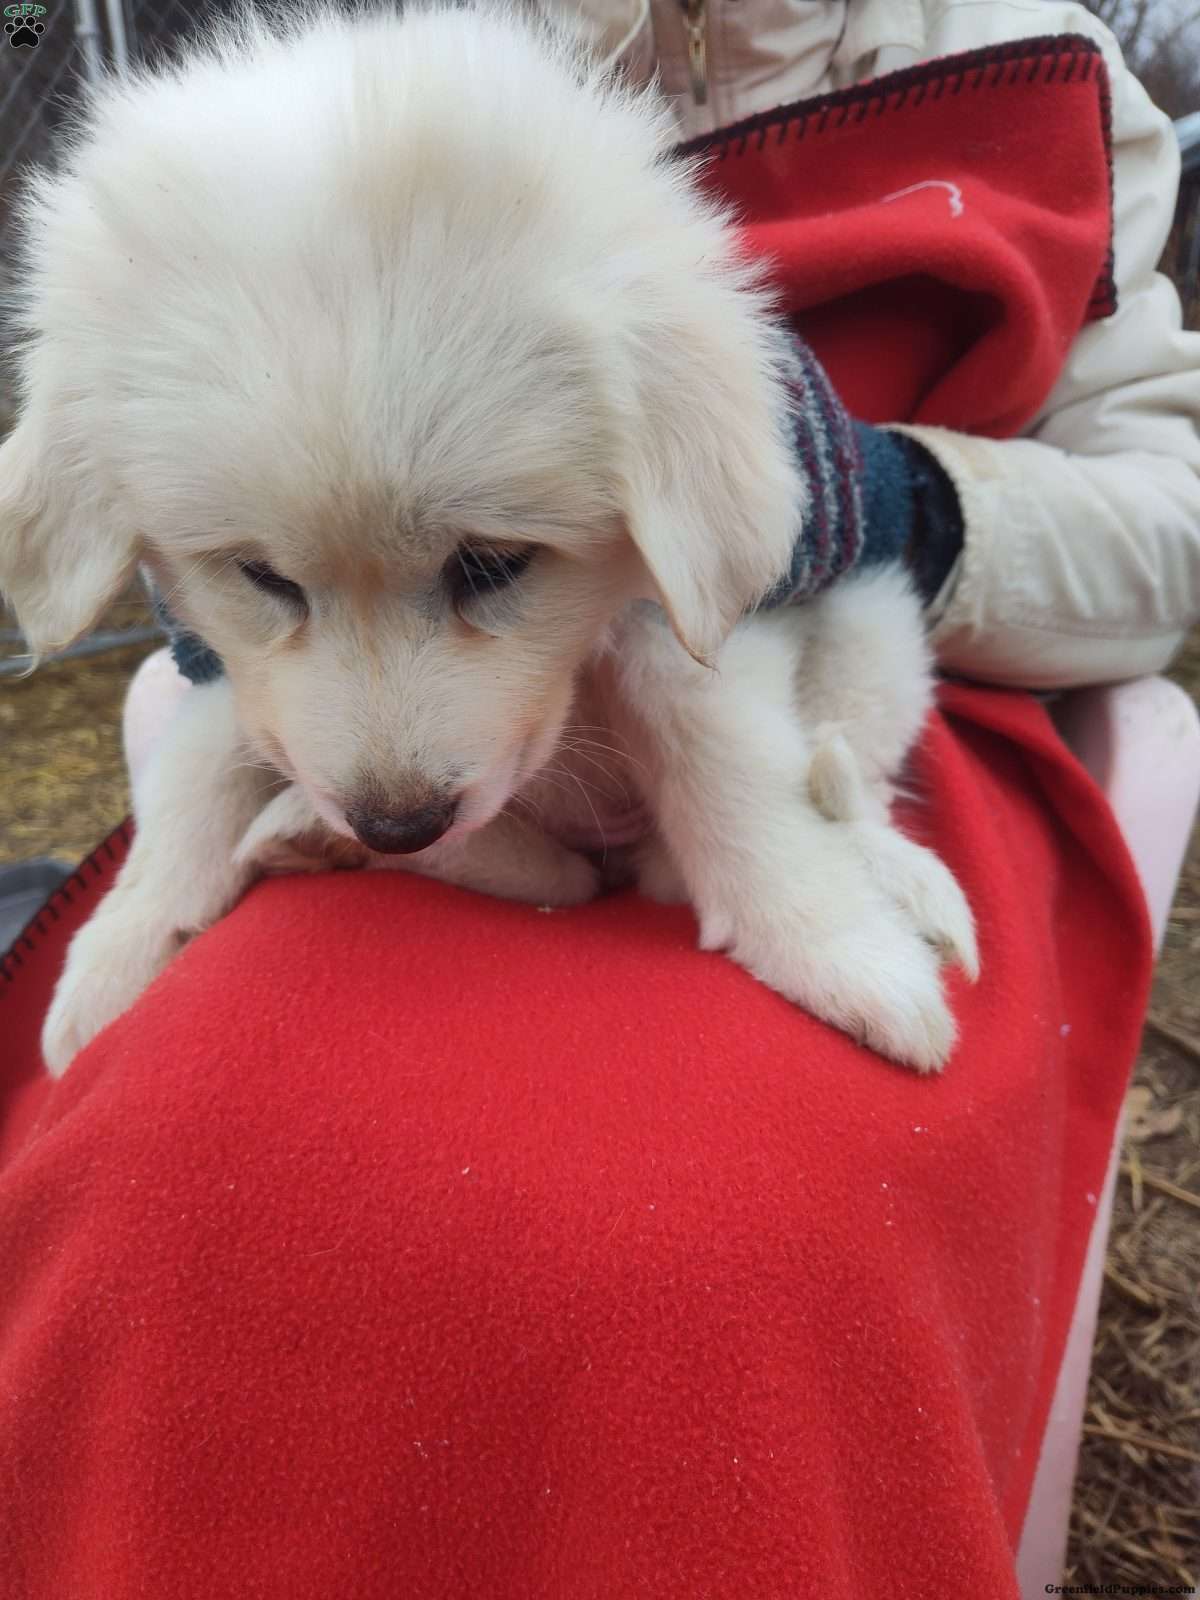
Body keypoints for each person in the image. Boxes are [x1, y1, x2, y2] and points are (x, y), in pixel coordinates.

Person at [1, 3, 1196, 1597]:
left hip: (876, 739)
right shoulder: (387, 78)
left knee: (700, 1243)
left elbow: (1172, 534)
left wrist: (899, 502)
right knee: (176, 1165)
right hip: (457, 826)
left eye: (485, 562)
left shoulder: (1038, 65)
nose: (391, 764)